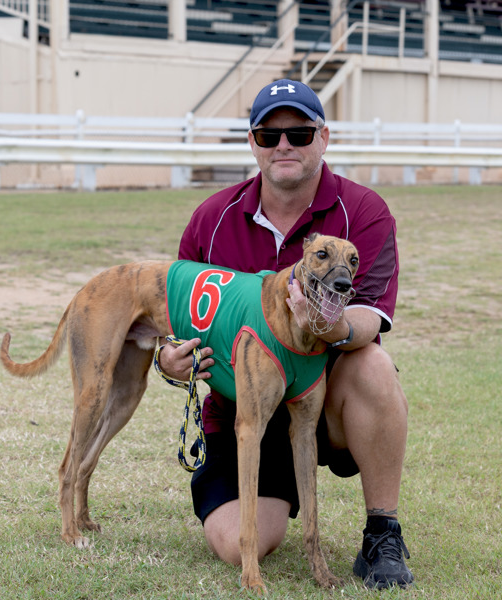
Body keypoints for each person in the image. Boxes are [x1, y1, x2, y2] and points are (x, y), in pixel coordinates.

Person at [157, 79, 413, 590]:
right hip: (242, 409)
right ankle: (272, 499)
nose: (283, 147)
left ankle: (382, 530)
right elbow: (175, 317)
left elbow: (373, 317)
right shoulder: (212, 218)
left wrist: (333, 327)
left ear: (323, 137)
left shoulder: (362, 212)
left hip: (325, 400)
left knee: (374, 364)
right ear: (252, 142)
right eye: (268, 135)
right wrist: (168, 360)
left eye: (298, 133)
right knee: (236, 544)